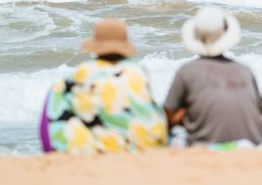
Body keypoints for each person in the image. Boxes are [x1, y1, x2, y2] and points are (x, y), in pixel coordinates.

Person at [41, 18, 167, 154]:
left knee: (57, 90)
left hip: (101, 147)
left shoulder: (84, 71)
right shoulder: (137, 70)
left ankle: (59, 148)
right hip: (143, 143)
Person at [163, 7, 262, 147]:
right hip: (246, 144)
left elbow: (168, 116)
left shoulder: (187, 71)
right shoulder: (245, 71)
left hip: (203, 145)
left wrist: (184, 114)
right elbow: (258, 110)